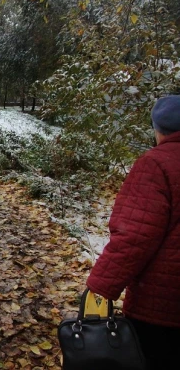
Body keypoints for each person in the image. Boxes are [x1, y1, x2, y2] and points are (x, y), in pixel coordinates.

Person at [86, 95, 180, 369]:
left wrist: (101, 286)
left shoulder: (156, 164)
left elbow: (136, 236)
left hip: (164, 304)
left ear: (158, 129)